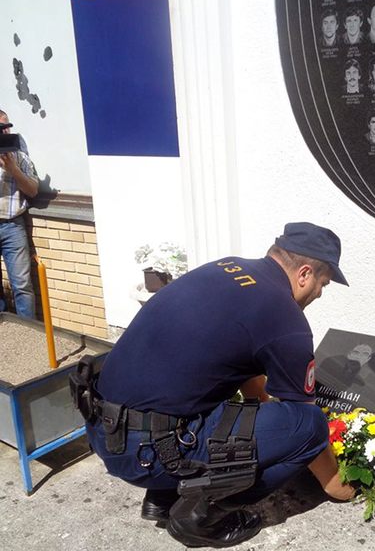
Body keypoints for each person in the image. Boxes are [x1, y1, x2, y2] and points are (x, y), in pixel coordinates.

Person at [77, 222, 355, 548]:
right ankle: (203, 513)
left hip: (104, 429)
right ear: (305, 274)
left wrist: (271, 431)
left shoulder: (226, 268)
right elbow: (306, 424)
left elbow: (249, 378)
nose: (319, 293)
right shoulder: (285, 318)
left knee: (212, 393)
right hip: (147, 452)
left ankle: (164, 496)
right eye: (323, 284)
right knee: (310, 424)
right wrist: (337, 486)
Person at [0, 109, 39, 318]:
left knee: (22, 285)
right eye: (0, 128)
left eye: (7, 127)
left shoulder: (20, 157)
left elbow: (33, 190)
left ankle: (28, 331)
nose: (4, 132)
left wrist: (13, 170)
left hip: (12, 226)